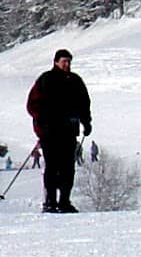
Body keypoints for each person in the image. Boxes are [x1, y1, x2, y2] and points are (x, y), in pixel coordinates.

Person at [25, 48, 91, 214]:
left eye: (69, 61)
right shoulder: (46, 79)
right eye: (64, 61)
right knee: (52, 167)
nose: (67, 64)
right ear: (56, 62)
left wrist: (86, 122)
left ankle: (64, 201)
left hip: (69, 131)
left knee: (68, 168)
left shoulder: (75, 81)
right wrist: (43, 120)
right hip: (49, 132)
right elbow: (32, 105)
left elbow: (84, 103)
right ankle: (50, 202)